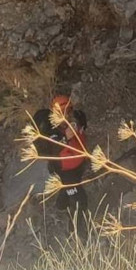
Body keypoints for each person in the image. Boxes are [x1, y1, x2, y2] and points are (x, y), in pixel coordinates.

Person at [33, 95, 90, 236]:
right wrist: (65, 138)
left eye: (69, 110)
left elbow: (82, 133)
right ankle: (75, 233)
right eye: (62, 112)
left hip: (79, 164)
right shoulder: (52, 131)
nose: (66, 115)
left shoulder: (79, 118)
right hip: (65, 170)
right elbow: (52, 148)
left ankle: (61, 205)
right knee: (79, 201)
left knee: (71, 189)